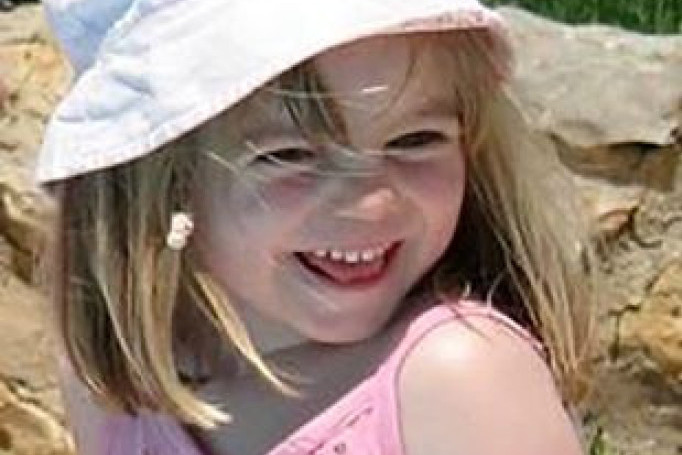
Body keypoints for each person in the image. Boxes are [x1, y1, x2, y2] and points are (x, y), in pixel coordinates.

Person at [37, 0, 597, 453]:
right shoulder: (118, 389)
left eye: (415, 140)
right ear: (161, 186)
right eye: (288, 154)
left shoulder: (457, 378)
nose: (372, 205)